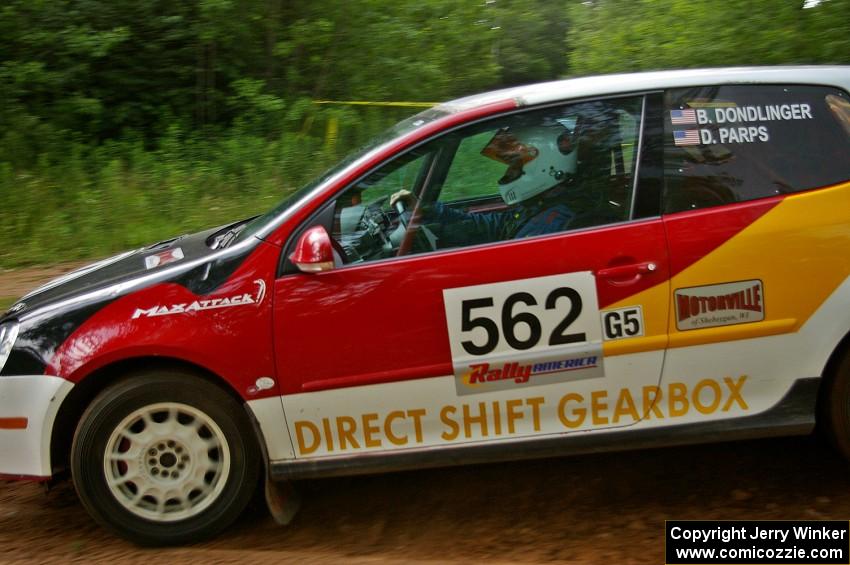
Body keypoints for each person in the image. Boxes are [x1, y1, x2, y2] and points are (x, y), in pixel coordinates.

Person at [390, 121, 581, 249]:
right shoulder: (535, 208)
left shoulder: (552, 225)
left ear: (546, 166)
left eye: (515, 164)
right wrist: (425, 210)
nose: (508, 173)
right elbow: (487, 226)